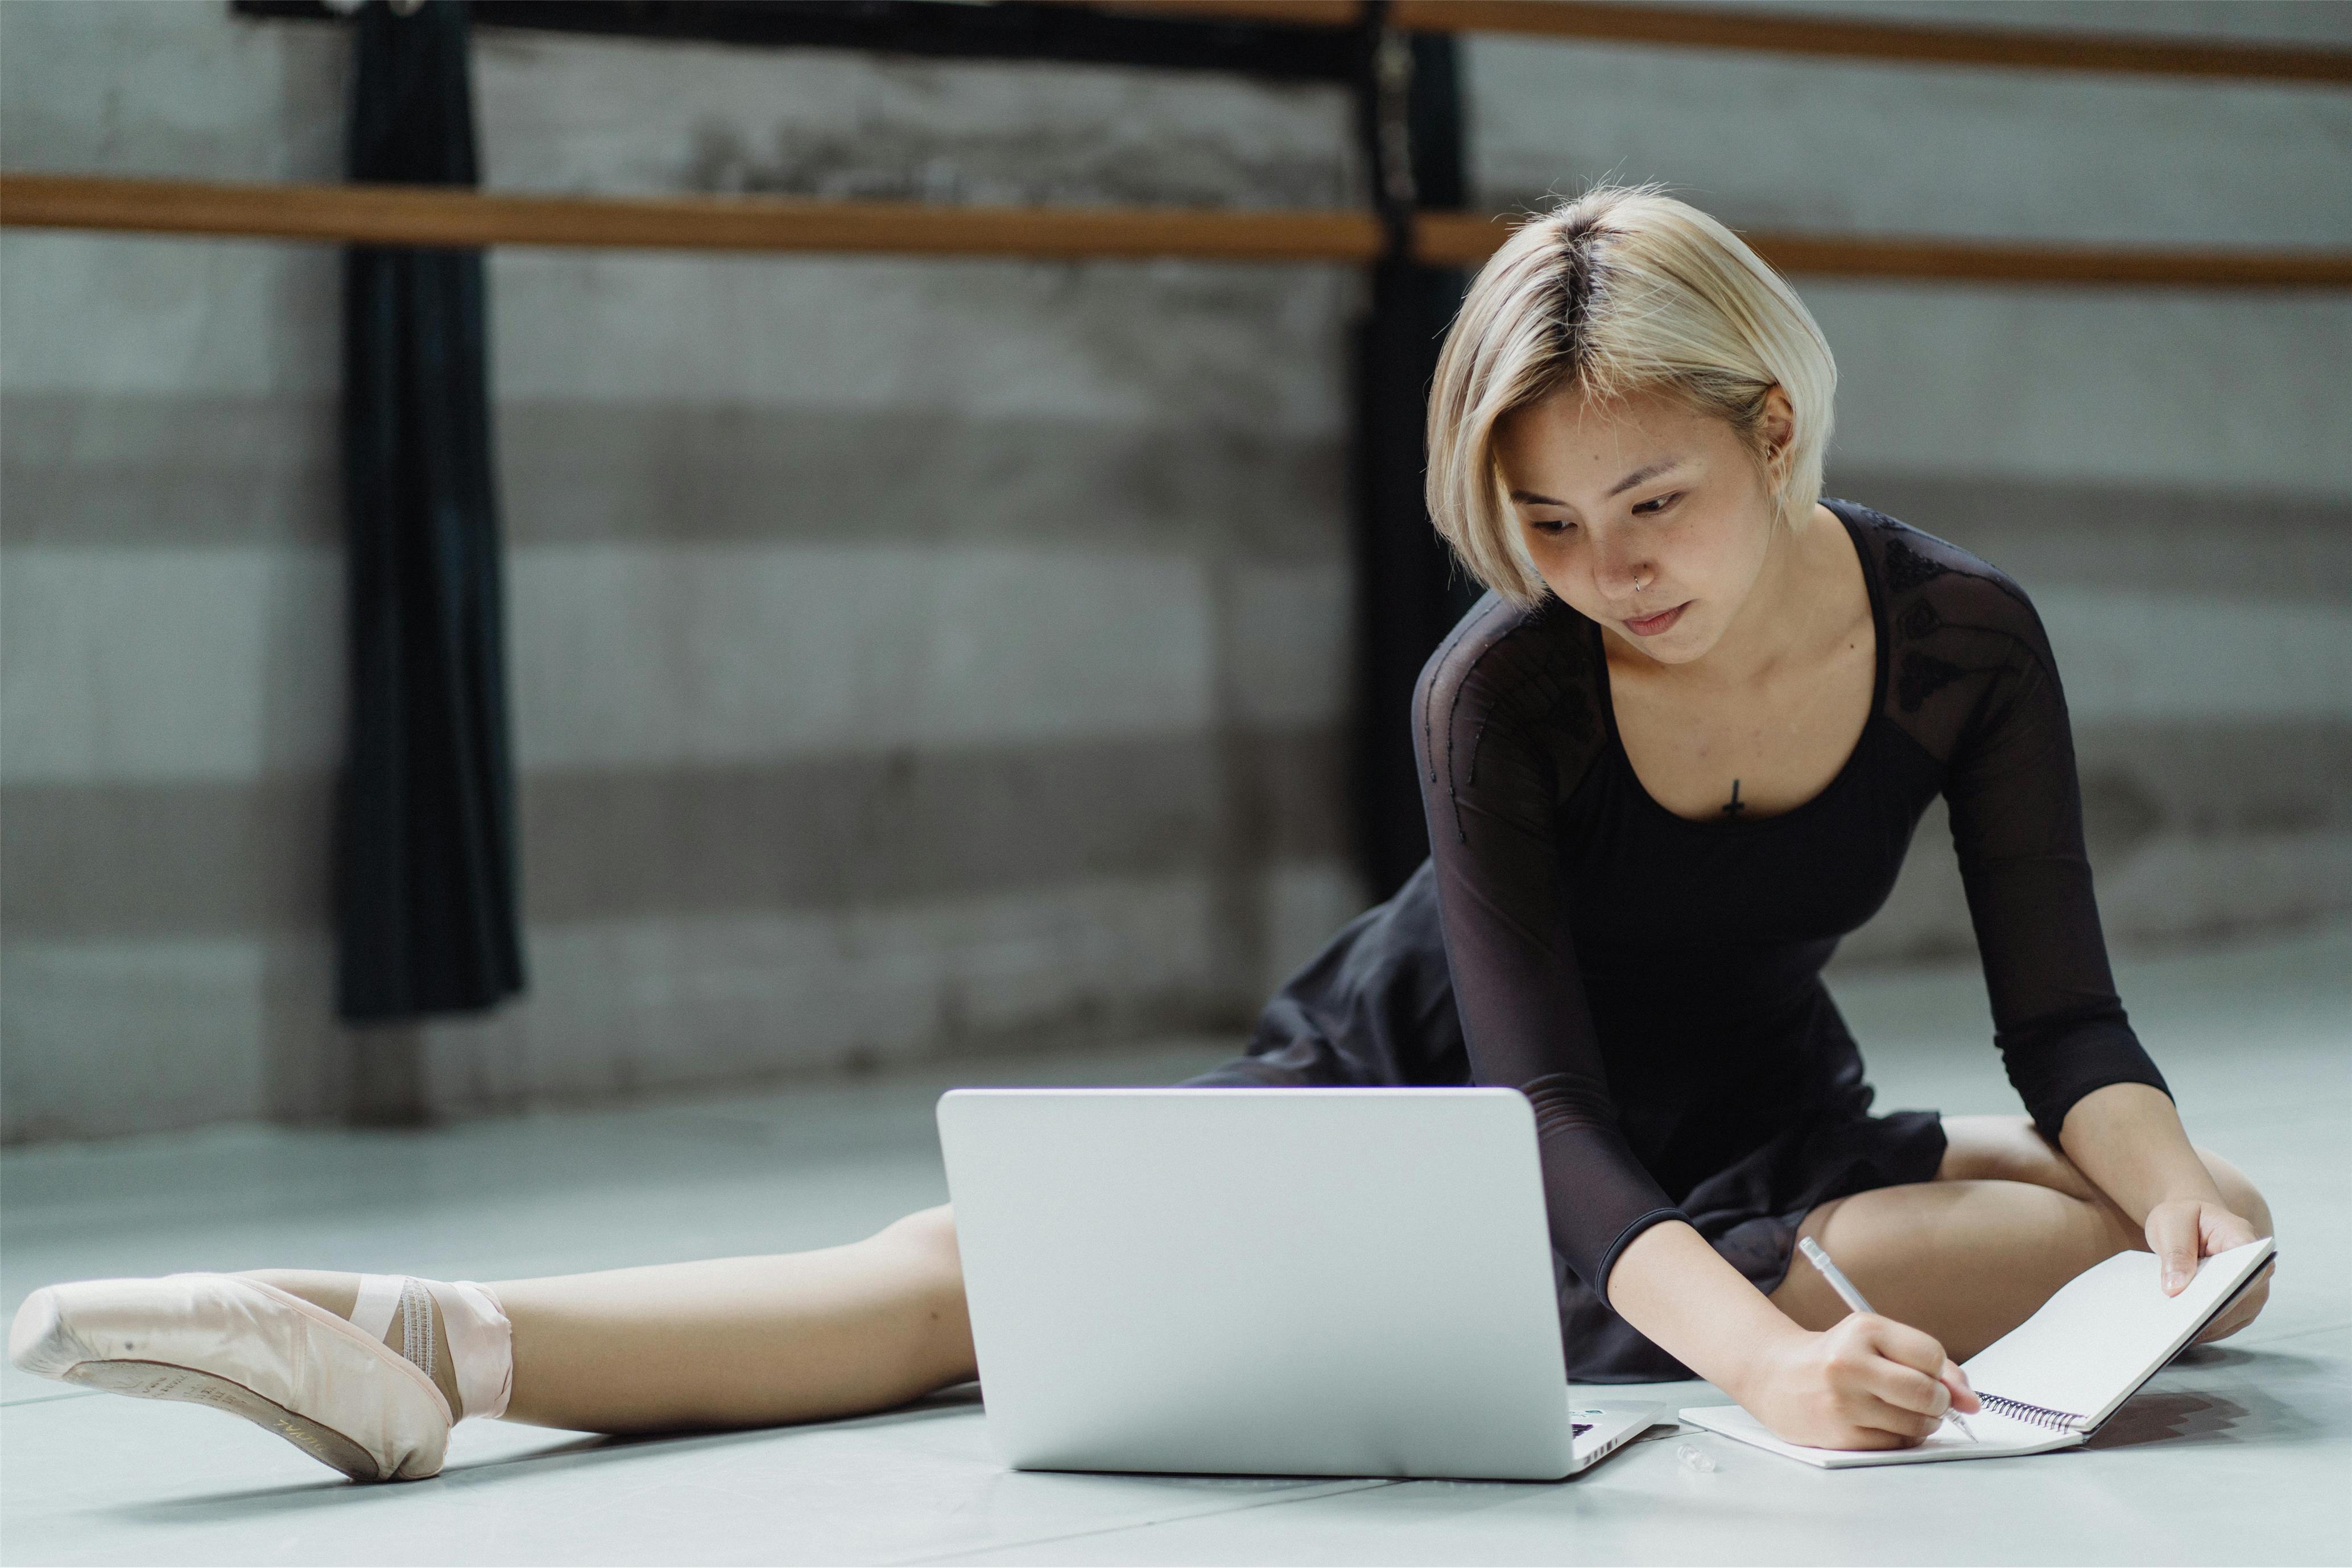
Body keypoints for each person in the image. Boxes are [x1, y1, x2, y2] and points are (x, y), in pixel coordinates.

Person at [10, 185, 2274, 1483]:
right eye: (1547, 526)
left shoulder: (1962, 639)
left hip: (1754, 1114)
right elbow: (1541, 1109)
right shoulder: (1498, 684)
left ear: (1772, 427)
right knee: (966, 1283)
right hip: (1448, 1099)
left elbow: (2063, 1007)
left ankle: (1914, 1205)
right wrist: (1769, 1366)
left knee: (2099, 1222)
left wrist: (2162, 1182)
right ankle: (420, 1342)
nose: (1606, 568)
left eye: (1651, 504)